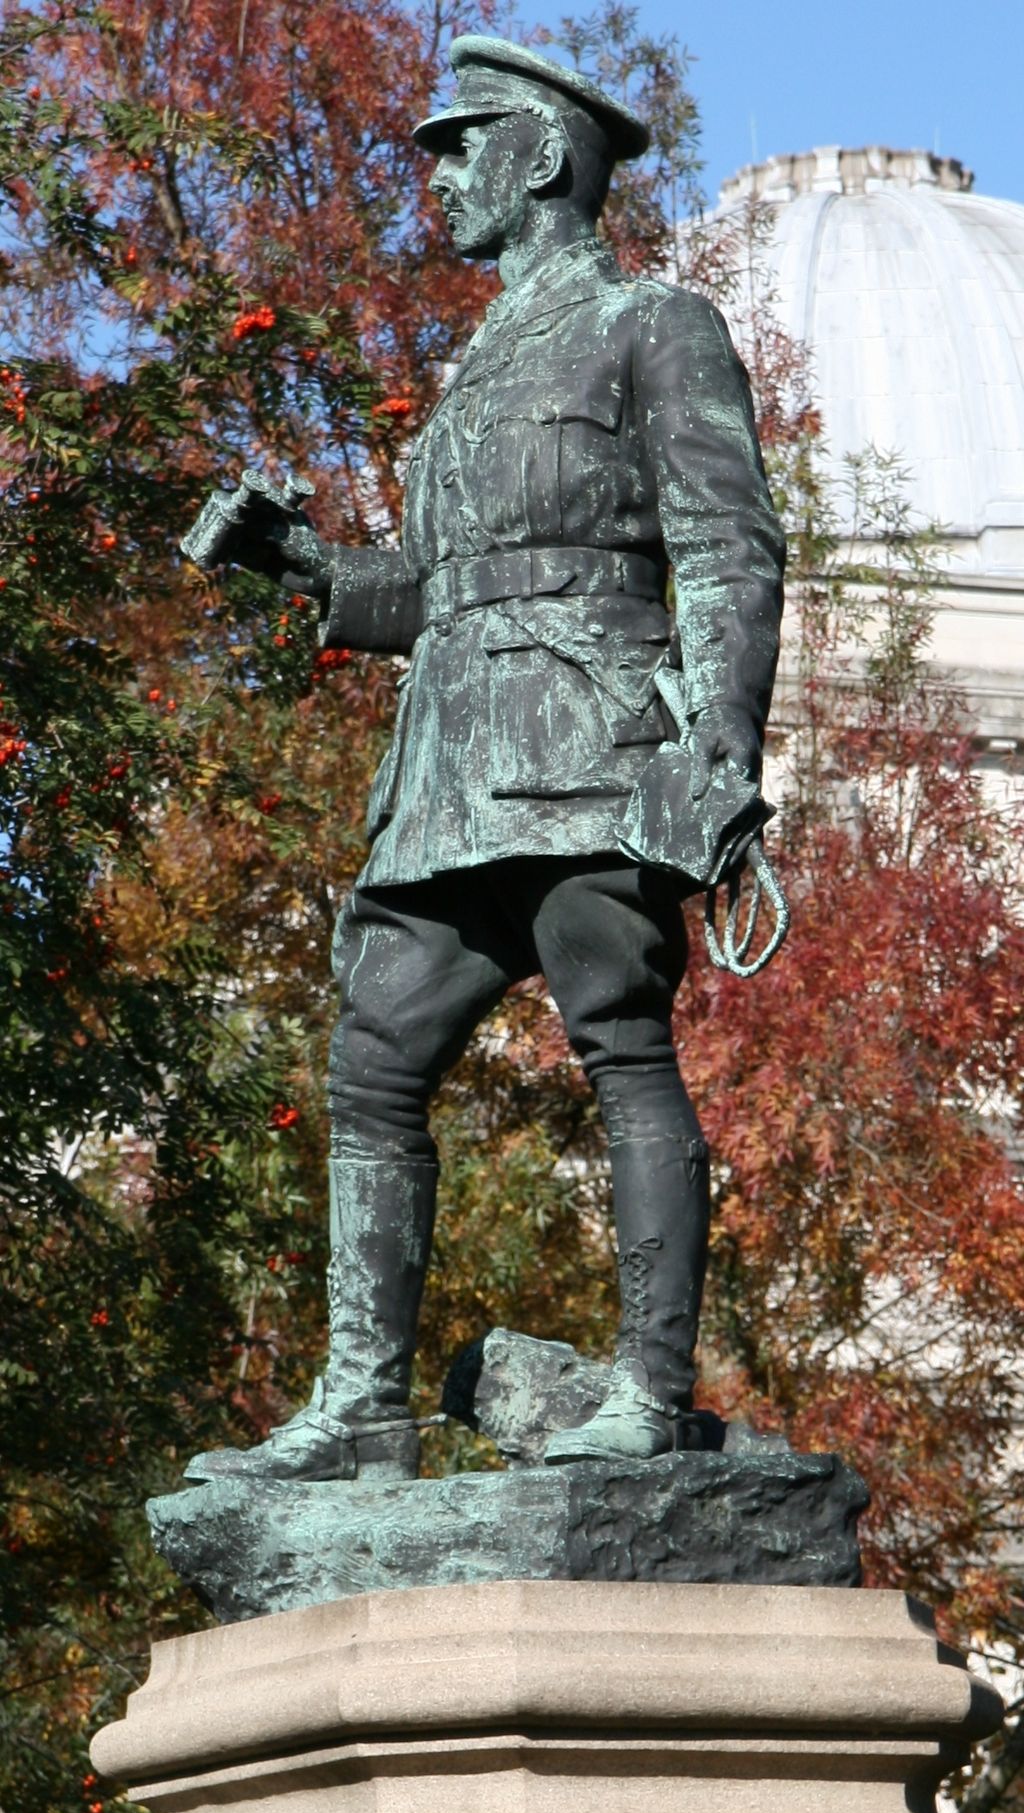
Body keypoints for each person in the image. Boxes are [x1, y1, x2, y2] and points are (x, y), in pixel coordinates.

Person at [183, 36, 785, 1484]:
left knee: (621, 1043)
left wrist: (720, 749)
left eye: (465, 145)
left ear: (544, 158)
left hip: (590, 746)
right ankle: (362, 1402)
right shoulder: (472, 371)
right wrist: (312, 564)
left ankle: (647, 1394)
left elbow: (727, 546)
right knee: (374, 1055)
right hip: (449, 768)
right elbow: (450, 589)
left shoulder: (654, 323)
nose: (441, 176)